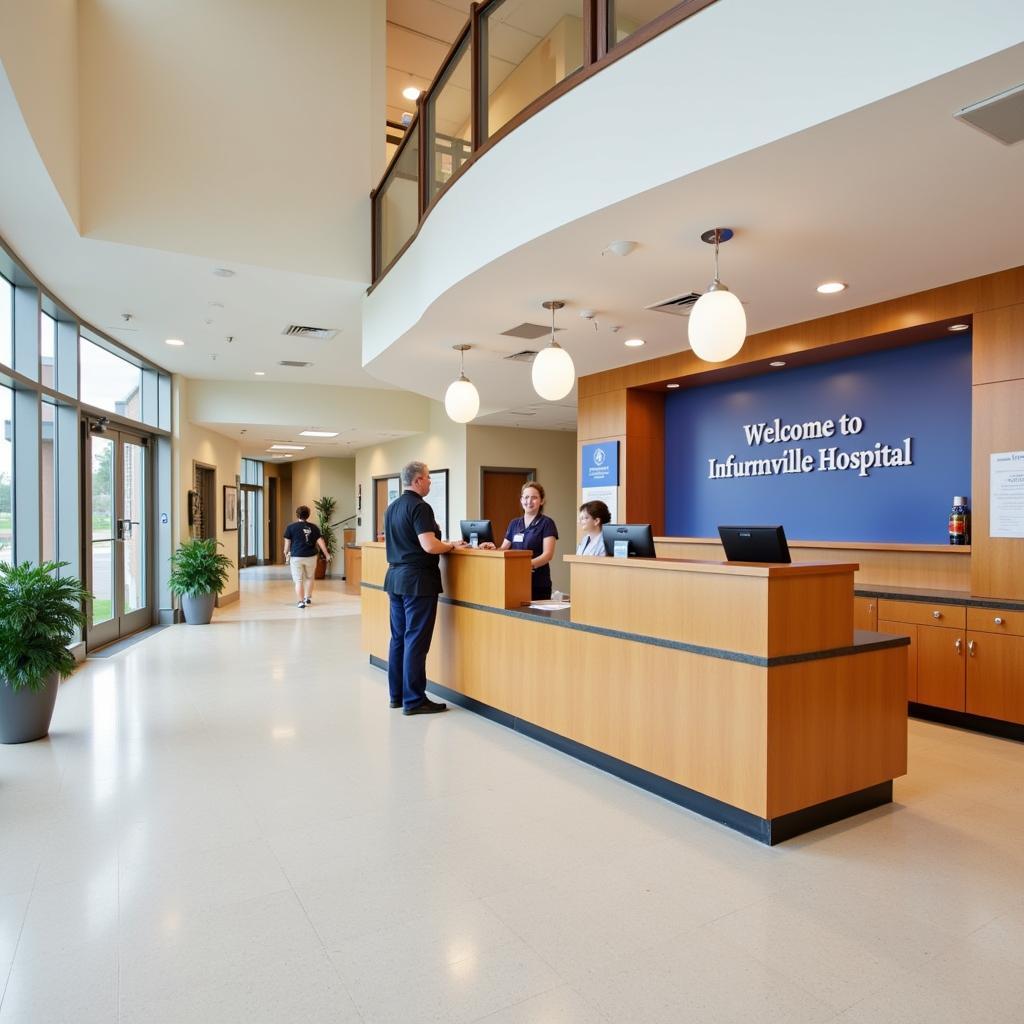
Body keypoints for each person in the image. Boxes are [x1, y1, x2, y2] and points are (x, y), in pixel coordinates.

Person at [384, 461, 466, 715]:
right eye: (428, 478)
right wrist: (451, 546)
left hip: (395, 578)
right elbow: (429, 546)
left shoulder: (393, 507)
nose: (430, 482)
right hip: (417, 581)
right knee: (416, 641)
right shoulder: (420, 507)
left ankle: (397, 696)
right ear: (417, 480)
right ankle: (415, 700)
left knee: (399, 638)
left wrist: (446, 543)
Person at [483, 481, 558, 600]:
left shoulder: (547, 523)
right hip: (515, 580)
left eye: (534, 498)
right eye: (526, 497)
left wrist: (524, 565)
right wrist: (492, 548)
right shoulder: (514, 523)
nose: (529, 501)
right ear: (521, 500)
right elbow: (504, 549)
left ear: (541, 501)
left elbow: (547, 555)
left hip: (538, 582)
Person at [283, 505, 331, 608]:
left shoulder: (290, 527)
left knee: (298, 580)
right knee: (309, 577)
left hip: (296, 556)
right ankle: (307, 598)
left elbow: (287, 543)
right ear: (308, 515)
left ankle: (300, 602)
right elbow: (320, 542)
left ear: (297, 515)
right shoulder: (314, 527)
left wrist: (285, 553)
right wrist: (326, 554)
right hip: (311, 556)